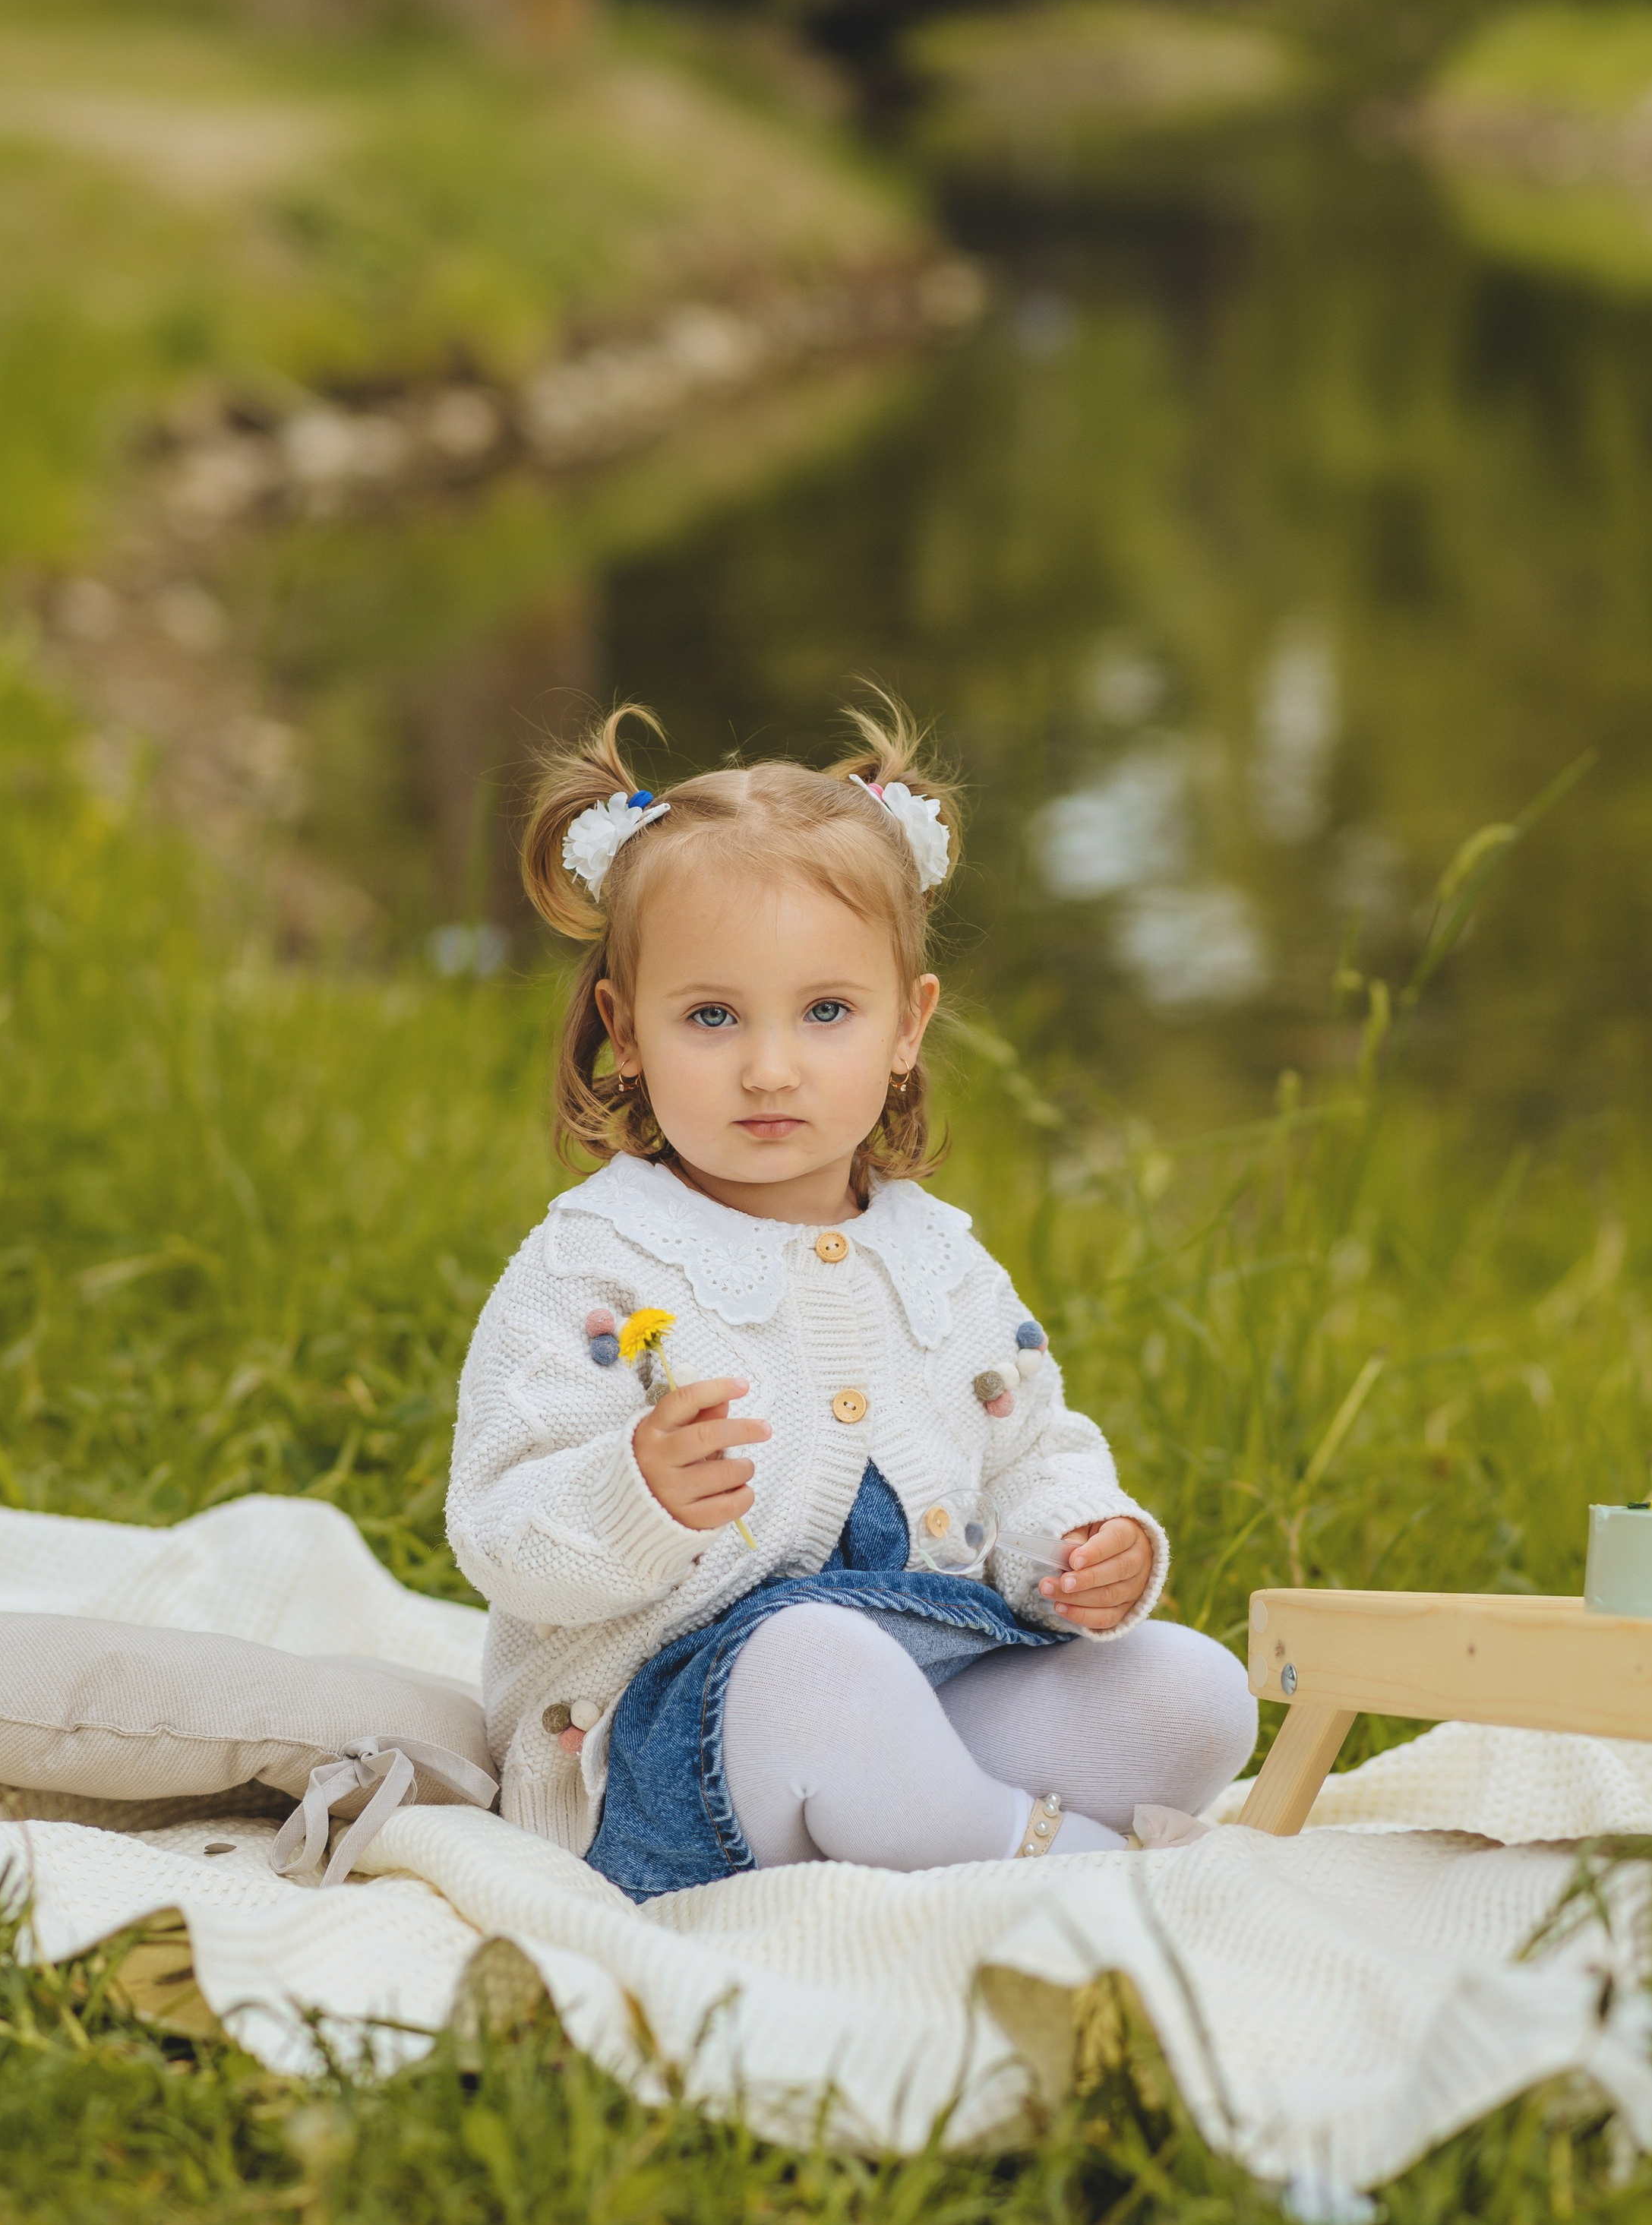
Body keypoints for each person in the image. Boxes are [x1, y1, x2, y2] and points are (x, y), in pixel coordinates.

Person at [445, 698, 1256, 1900]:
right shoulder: (597, 1264)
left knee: (1197, 1695)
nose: (770, 1067)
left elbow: (1031, 1447)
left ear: (905, 1029)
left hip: (923, 1681)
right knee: (816, 1659)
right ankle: (1059, 1871)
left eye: (826, 1013)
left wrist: (1080, 1547)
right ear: (625, 1032)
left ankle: (933, 1817)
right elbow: (497, 1529)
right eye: (711, 1016)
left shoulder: (941, 1259)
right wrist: (636, 1498)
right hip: (670, 1754)